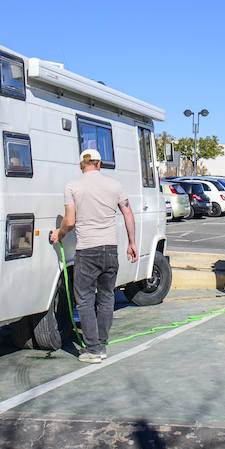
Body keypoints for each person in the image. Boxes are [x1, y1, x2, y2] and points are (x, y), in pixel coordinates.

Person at [49, 148, 137, 363]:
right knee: (106, 297)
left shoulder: (73, 186)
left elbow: (69, 221)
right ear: (99, 164)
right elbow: (127, 212)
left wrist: (58, 234)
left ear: (81, 165)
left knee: (85, 300)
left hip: (87, 250)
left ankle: (93, 350)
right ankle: (102, 345)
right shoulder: (115, 185)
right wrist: (132, 243)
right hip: (110, 249)